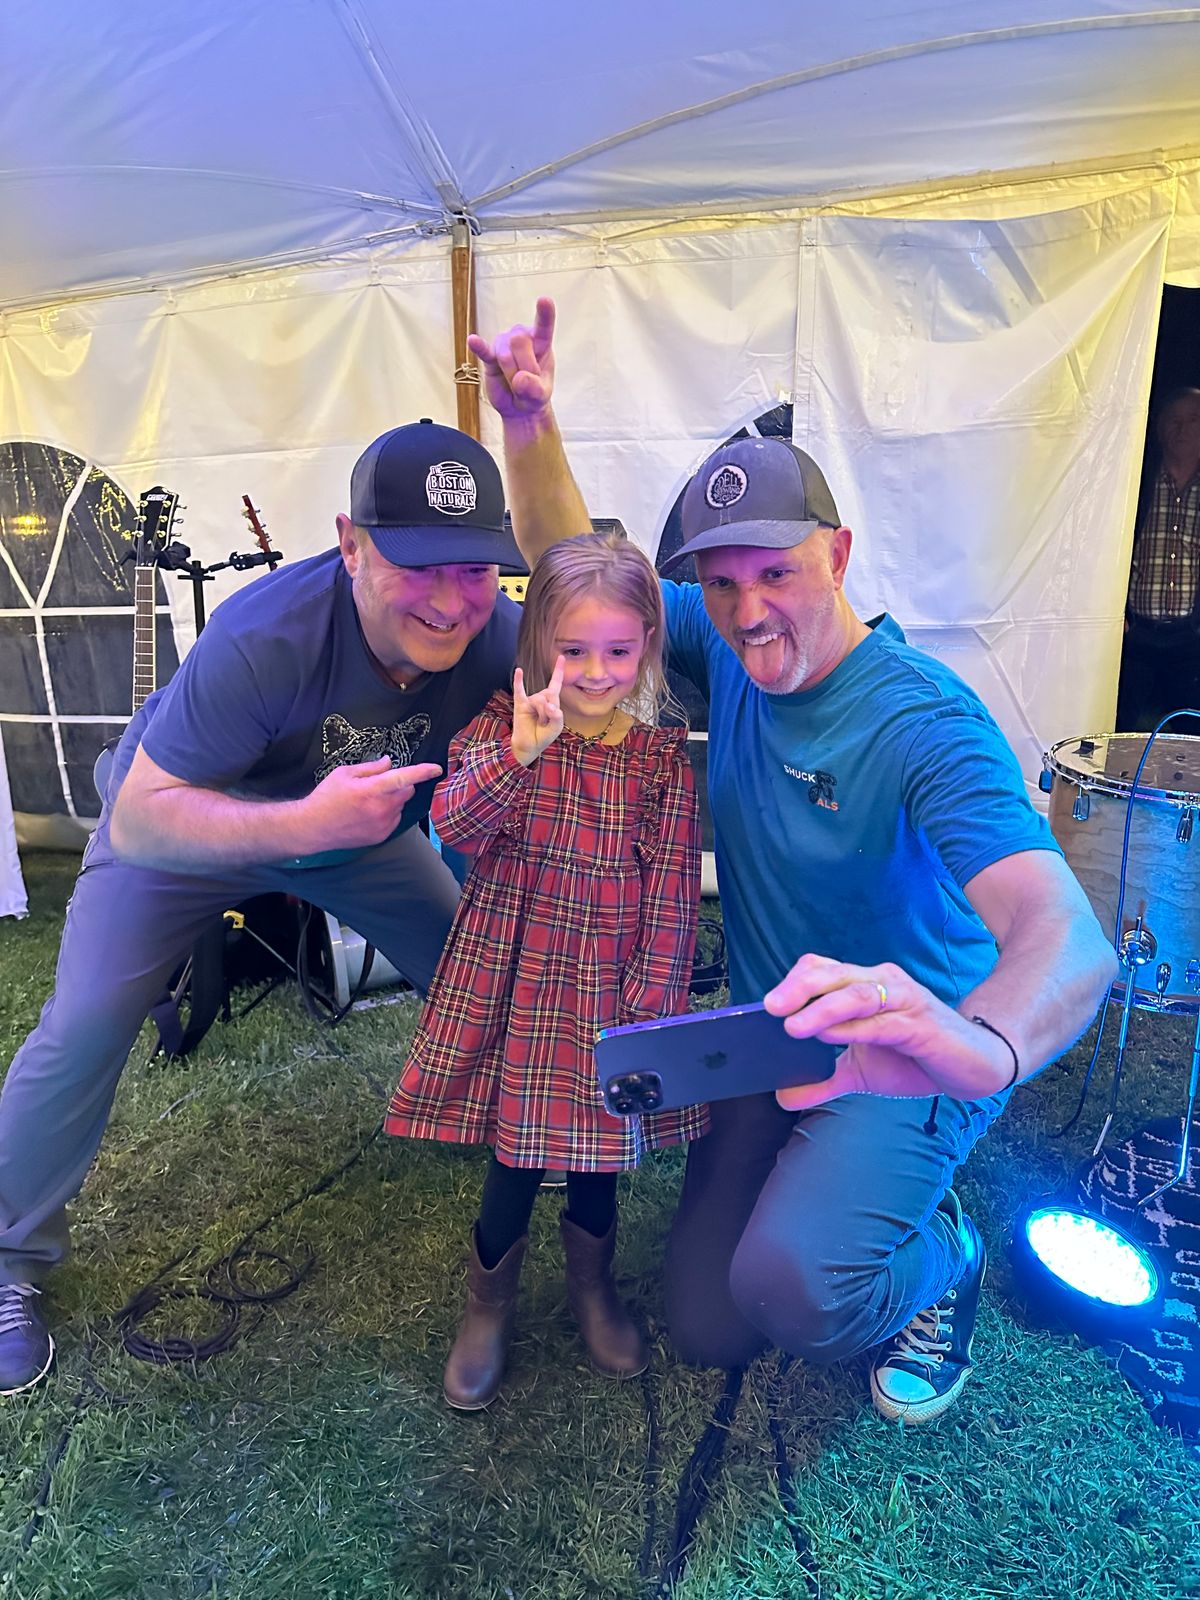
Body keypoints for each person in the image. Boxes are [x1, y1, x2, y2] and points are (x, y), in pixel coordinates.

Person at [473, 299, 1117, 1423]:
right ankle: (834, 1188)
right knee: (708, 1322)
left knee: (798, 1290)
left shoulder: (925, 722)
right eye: (722, 583)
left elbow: (1067, 936)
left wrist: (974, 1050)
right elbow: (578, 575)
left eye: (775, 573)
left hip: (909, 1053)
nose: (748, 609)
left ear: (840, 555)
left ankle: (943, 1259)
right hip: (772, 1040)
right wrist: (529, 427)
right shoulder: (728, 646)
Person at [0, 419, 526, 1397]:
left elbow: (612, 646)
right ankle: (6, 1257)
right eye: (419, 565)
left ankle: (523, 1124)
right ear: (351, 544)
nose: (452, 600)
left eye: (475, 569)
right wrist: (303, 825)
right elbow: (143, 817)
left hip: (360, 836)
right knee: (84, 1022)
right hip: (189, 827)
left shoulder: (499, 637)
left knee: (475, 966)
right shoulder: (264, 635)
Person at [384, 531, 704, 1410]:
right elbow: (453, 824)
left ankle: (592, 1286)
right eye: (575, 651)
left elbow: (673, 886)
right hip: (517, 970)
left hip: (609, 978)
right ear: (539, 645)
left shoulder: (659, 756)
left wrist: (650, 999)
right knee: (518, 1146)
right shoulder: (504, 725)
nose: (597, 673)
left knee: (598, 1144)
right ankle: (487, 1303)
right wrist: (520, 754)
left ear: (647, 645)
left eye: (618, 651)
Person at [1117, 385, 1200, 731]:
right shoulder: (1136, 481)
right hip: (1134, 632)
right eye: (1173, 420)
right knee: (1119, 726)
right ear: (1158, 427)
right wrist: (1115, 612)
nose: (1182, 429)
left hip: (1189, 635)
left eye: (1193, 420)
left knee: (1189, 732)